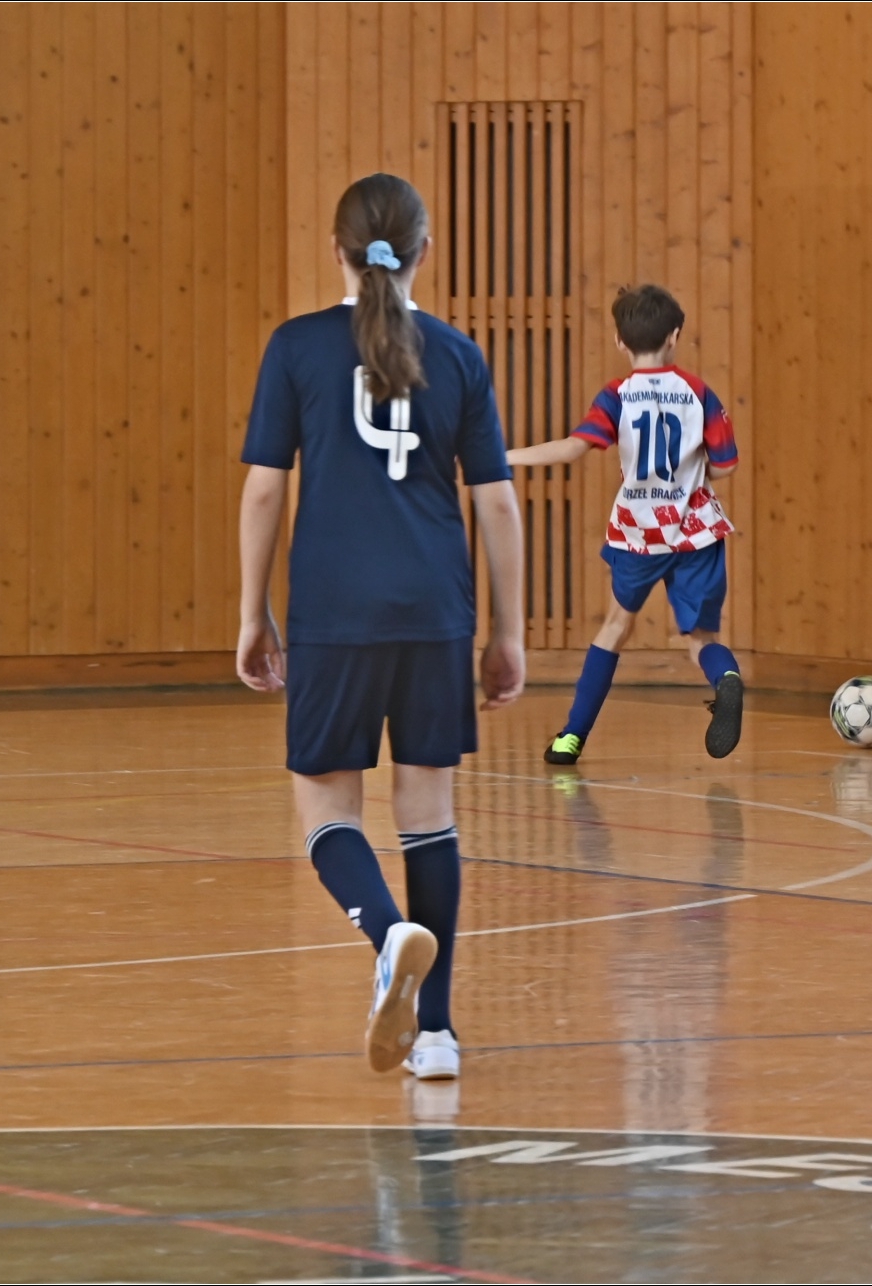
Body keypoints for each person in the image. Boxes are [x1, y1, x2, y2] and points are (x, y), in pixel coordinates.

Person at [236, 173, 524, 1082]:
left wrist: (252, 611)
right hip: (434, 606)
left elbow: (266, 490)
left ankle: (387, 932)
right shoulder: (460, 354)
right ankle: (435, 1036)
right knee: (429, 818)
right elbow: (498, 503)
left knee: (327, 808)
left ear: (338, 250)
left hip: (337, 608)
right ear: (424, 252)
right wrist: (508, 631)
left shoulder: (296, 347)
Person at [503, 285, 743, 765]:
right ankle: (727, 680)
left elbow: (573, 448)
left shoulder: (617, 395)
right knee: (701, 639)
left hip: (639, 532)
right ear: (674, 336)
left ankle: (571, 737)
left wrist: (502, 457)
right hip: (695, 531)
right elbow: (726, 466)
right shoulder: (699, 393)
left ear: (619, 341)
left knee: (615, 627)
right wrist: (692, 473)